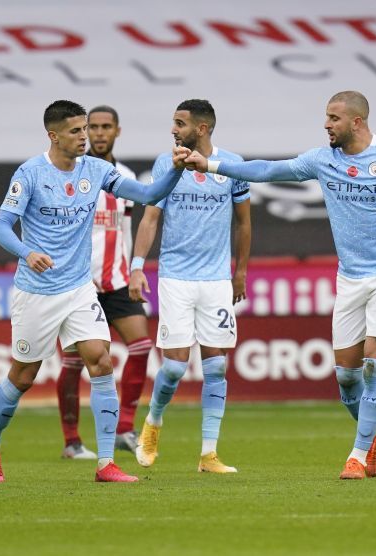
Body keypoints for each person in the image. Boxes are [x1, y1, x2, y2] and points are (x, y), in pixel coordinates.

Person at [184, 91, 376, 480]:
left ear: (357, 122)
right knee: (346, 379)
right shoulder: (322, 160)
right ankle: (372, 428)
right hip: (350, 279)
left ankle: (358, 456)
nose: (326, 124)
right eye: (326, 118)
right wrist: (209, 164)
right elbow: (267, 171)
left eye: (333, 118)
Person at [0, 100, 190, 483]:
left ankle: (105, 463)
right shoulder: (29, 174)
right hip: (37, 292)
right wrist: (29, 252)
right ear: (54, 135)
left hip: (79, 290)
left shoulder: (97, 170)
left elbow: (147, 194)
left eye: (86, 129)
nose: (85, 137)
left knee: (101, 360)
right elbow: (1, 228)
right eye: (76, 130)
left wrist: (175, 170)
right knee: (22, 377)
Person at [130, 99, 251, 473]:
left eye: (180, 123)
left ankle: (208, 454)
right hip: (176, 277)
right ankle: (153, 422)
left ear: (201, 128)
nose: (173, 130)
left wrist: (240, 272)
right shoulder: (166, 164)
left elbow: (244, 223)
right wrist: (137, 267)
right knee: (175, 366)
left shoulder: (232, 165)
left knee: (216, 367)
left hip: (216, 279)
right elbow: (150, 218)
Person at [56, 105, 153, 459]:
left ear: (117, 131)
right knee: (73, 363)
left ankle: (124, 427)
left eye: (104, 127)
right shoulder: (67, 174)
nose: (97, 133)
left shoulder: (123, 177)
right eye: (92, 127)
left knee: (141, 347)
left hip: (117, 282)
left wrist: (134, 269)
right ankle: (71, 440)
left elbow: (126, 228)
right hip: (78, 285)